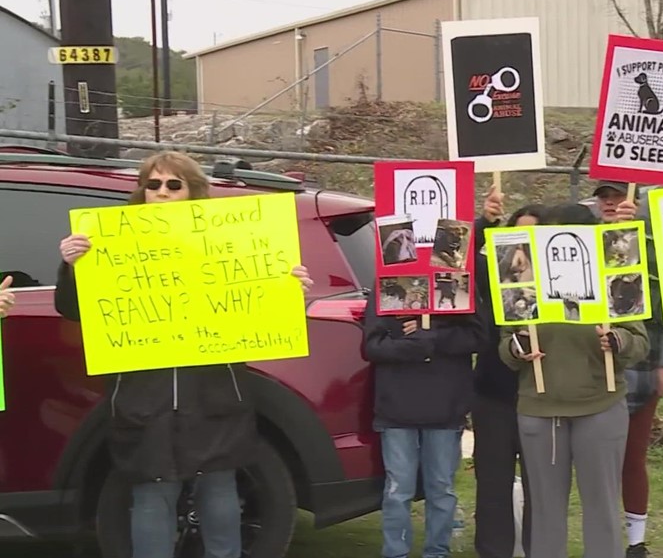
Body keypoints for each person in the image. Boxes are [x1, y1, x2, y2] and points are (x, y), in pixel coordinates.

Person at [54, 151, 314, 558]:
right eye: (153, 184)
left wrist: (288, 291)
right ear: (142, 191)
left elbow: (259, 314)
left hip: (214, 395)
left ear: (193, 190)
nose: (162, 192)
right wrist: (71, 266)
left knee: (218, 490)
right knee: (151, 495)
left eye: (173, 184)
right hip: (143, 399)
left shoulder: (231, 242)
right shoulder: (109, 245)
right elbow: (72, 308)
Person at [499, 202, 649, 558]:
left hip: (600, 405)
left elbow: (639, 342)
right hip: (540, 407)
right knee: (547, 512)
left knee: (601, 509)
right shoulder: (524, 281)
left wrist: (617, 340)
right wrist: (517, 348)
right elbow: (506, 346)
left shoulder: (612, 277)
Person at [592, 181, 663, 558]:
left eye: (619, 196)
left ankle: (636, 541)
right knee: (595, 460)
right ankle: (602, 536)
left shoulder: (652, 248)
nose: (612, 203)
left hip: (641, 366)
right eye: (605, 198)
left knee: (633, 456)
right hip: (592, 367)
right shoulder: (582, 242)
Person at [363, 297, 484, 558]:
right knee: (398, 490)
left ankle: (438, 552)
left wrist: (433, 336)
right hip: (396, 406)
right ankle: (395, 553)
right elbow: (372, 346)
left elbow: (477, 336)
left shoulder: (456, 281)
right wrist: (414, 346)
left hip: (446, 405)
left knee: (441, 488)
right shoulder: (386, 283)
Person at [471, 187, 545, 558]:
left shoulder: (560, 280)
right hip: (493, 394)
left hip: (543, 397)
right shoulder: (492, 272)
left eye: (535, 236)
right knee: (493, 483)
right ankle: (492, 550)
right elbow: (457, 259)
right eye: (519, 236)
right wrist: (485, 223)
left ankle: (540, 549)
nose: (525, 246)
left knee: (542, 487)